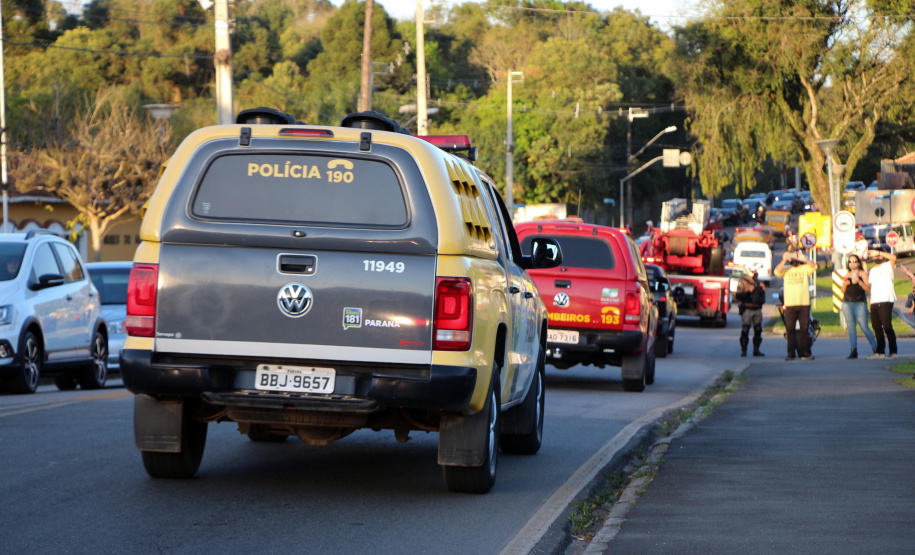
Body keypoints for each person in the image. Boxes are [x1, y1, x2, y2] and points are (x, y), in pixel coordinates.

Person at [773, 249, 817, 361]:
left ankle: (805, 353)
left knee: (804, 329)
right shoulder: (787, 269)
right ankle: (790, 353)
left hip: (804, 303)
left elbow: (814, 267)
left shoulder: (804, 268)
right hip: (790, 303)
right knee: (790, 329)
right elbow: (776, 272)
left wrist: (805, 259)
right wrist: (784, 260)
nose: (794, 260)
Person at [840, 254, 878, 359]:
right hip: (847, 303)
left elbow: (868, 288)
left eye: (855, 261)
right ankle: (853, 350)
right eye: (850, 261)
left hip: (859, 303)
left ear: (858, 263)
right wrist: (845, 284)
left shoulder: (863, 274)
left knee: (864, 326)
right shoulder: (847, 274)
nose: (852, 263)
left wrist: (860, 281)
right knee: (851, 328)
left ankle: (876, 348)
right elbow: (842, 291)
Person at [867, 245, 898, 358]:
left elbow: (893, 257)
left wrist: (879, 252)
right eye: (874, 256)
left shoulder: (888, 266)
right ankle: (880, 352)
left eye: (878, 255)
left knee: (887, 326)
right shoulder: (872, 271)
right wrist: (870, 302)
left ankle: (893, 352)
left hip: (886, 299)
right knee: (876, 327)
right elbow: (872, 287)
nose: (876, 257)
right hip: (874, 301)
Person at [735, 269, 766, 357]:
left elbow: (762, 299)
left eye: (757, 272)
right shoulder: (743, 281)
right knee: (745, 330)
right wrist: (749, 291)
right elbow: (738, 296)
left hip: (757, 309)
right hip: (747, 309)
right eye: (755, 272)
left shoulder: (759, 282)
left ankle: (756, 350)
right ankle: (744, 350)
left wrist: (762, 290)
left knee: (758, 329)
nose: (756, 274)